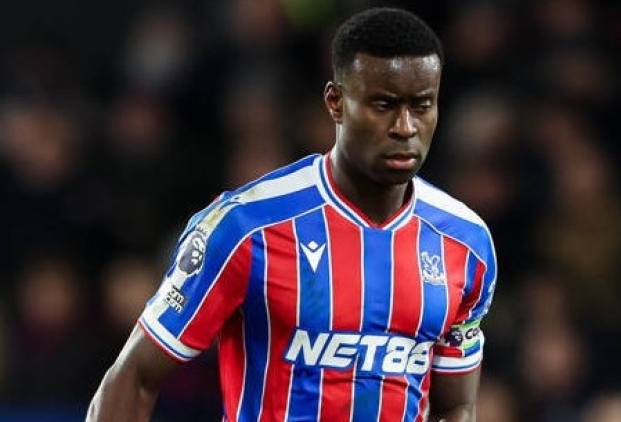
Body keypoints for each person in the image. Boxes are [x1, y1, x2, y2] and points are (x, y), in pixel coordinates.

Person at [86, 7, 498, 422]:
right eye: (383, 105)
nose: (405, 127)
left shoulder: (467, 244)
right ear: (335, 102)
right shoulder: (246, 227)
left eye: (422, 105)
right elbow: (133, 378)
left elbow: (456, 407)